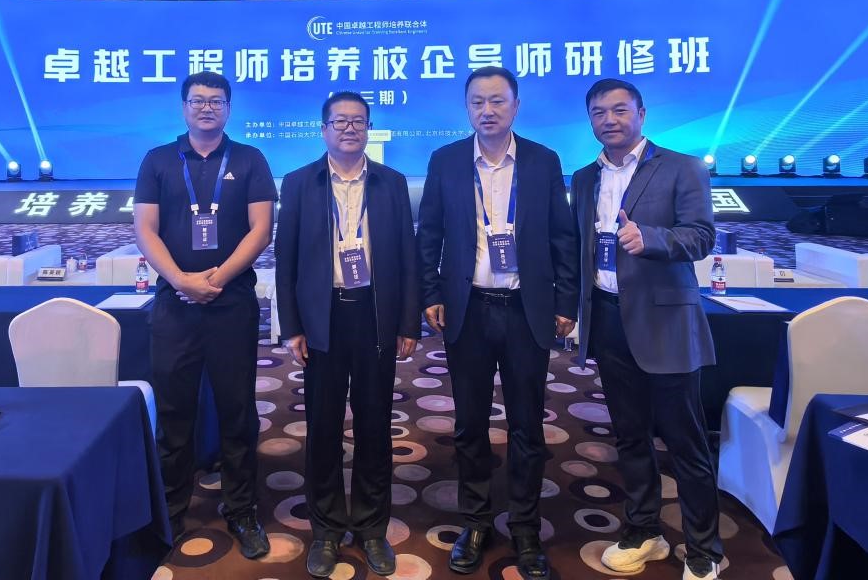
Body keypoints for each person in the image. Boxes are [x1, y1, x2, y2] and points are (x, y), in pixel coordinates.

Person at [417, 66, 579, 578]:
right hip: (468, 309)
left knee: (527, 423)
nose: (487, 111)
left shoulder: (542, 160)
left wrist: (567, 302)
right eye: (477, 102)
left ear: (516, 106)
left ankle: (526, 527)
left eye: (497, 101)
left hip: (527, 311)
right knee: (469, 423)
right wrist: (430, 293)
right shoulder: (445, 160)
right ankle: (476, 521)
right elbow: (430, 235)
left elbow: (562, 236)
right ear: (466, 108)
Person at [570, 78, 722, 580]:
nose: (609, 120)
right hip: (609, 319)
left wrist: (651, 238)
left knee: (685, 442)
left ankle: (703, 551)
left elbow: (701, 236)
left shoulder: (681, 167)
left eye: (619, 110)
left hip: (665, 322)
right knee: (630, 435)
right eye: (599, 112)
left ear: (641, 113)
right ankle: (644, 531)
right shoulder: (584, 178)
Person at [275, 92, 420, 578]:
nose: (349, 129)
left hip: (375, 317)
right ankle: (327, 530)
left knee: (375, 424)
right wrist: (292, 326)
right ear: (324, 130)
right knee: (323, 426)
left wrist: (407, 323)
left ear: (369, 128)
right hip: (323, 318)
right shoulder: (299, 183)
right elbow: (286, 261)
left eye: (358, 122)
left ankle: (372, 528)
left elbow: (408, 256)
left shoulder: (391, 182)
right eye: (340, 122)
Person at [133, 71, 277, 558]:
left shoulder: (250, 159)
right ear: (184, 107)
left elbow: (261, 230)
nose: (207, 108)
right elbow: (145, 230)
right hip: (174, 304)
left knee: (237, 410)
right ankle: (171, 509)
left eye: (216, 101)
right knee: (174, 412)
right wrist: (181, 280)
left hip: (231, 303)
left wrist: (215, 280)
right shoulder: (158, 160)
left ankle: (241, 510)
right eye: (198, 100)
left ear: (229, 108)